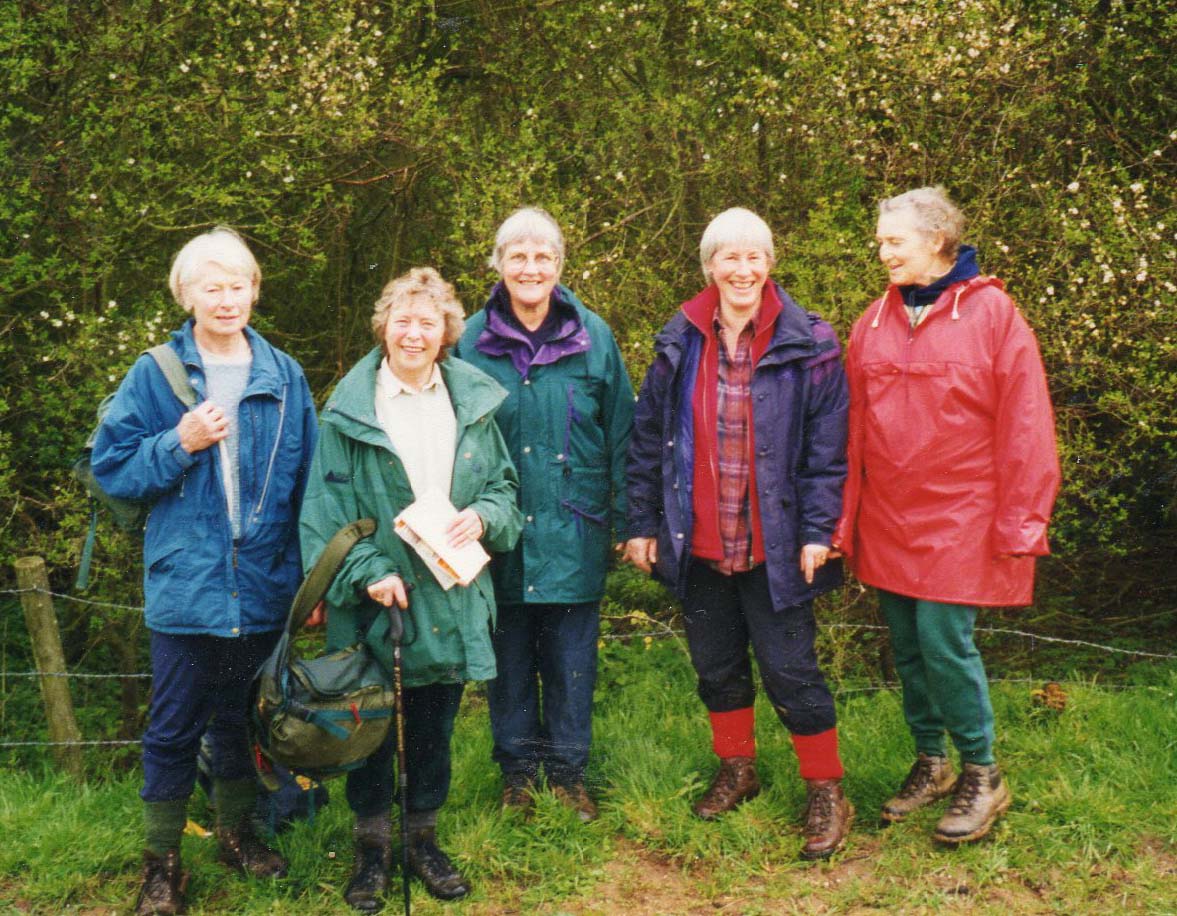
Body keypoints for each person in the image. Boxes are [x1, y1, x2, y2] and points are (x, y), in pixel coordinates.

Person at [91, 227, 318, 915]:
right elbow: (112, 471)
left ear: (255, 290)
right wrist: (177, 442)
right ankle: (160, 868)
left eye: (237, 285)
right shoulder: (155, 374)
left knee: (240, 721)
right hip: (186, 584)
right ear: (186, 295)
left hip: (263, 583)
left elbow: (310, 487)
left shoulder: (284, 375)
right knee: (171, 727)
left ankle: (236, 835)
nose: (226, 299)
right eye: (210, 287)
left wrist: (311, 584)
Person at [833, 186, 1060, 844]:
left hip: (963, 514)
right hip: (889, 518)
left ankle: (982, 774)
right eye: (879, 241)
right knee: (905, 646)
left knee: (942, 641)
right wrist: (843, 521)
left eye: (892, 241)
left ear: (935, 241)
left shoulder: (992, 314)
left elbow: (1026, 425)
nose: (881, 252)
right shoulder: (871, 321)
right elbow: (850, 434)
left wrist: (1023, 520)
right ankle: (931, 762)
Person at [624, 207, 853, 860]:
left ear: (769, 264)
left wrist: (818, 530)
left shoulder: (810, 339)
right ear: (709, 268)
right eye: (729, 257)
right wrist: (641, 523)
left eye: (754, 256)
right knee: (716, 669)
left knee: (791, 672)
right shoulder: (681, 336)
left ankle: (826, 787)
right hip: (698, 544)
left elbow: (827, 450)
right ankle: (738, 769)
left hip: (776, 546)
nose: (743, 269)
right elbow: (648, 437)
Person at [299, 266, 521, 909]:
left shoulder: (472, 404)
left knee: (434, 729)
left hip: (451, 595)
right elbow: (324, 516)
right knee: (368, 729)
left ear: (447, 332)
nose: (414, 334)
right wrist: (369, 573)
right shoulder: (347, 411)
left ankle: (423, 840)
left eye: (427, 322)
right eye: (402, 320)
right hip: (376, 599)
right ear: (384, 328)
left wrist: (483, 517)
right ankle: (371, 851)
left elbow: (505, 490)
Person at [453, 207, 634, 821]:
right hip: (493, 532)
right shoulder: (468, 341)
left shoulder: (594, 336)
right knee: (507, 661)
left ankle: (568, 776)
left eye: (543, 257)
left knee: (570, 660)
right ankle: (518, 778)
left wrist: (632, 521)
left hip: (573, 528)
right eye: (518, 256)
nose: (531, 268)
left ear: (560, 265)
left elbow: (623, 436)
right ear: (498, 264)